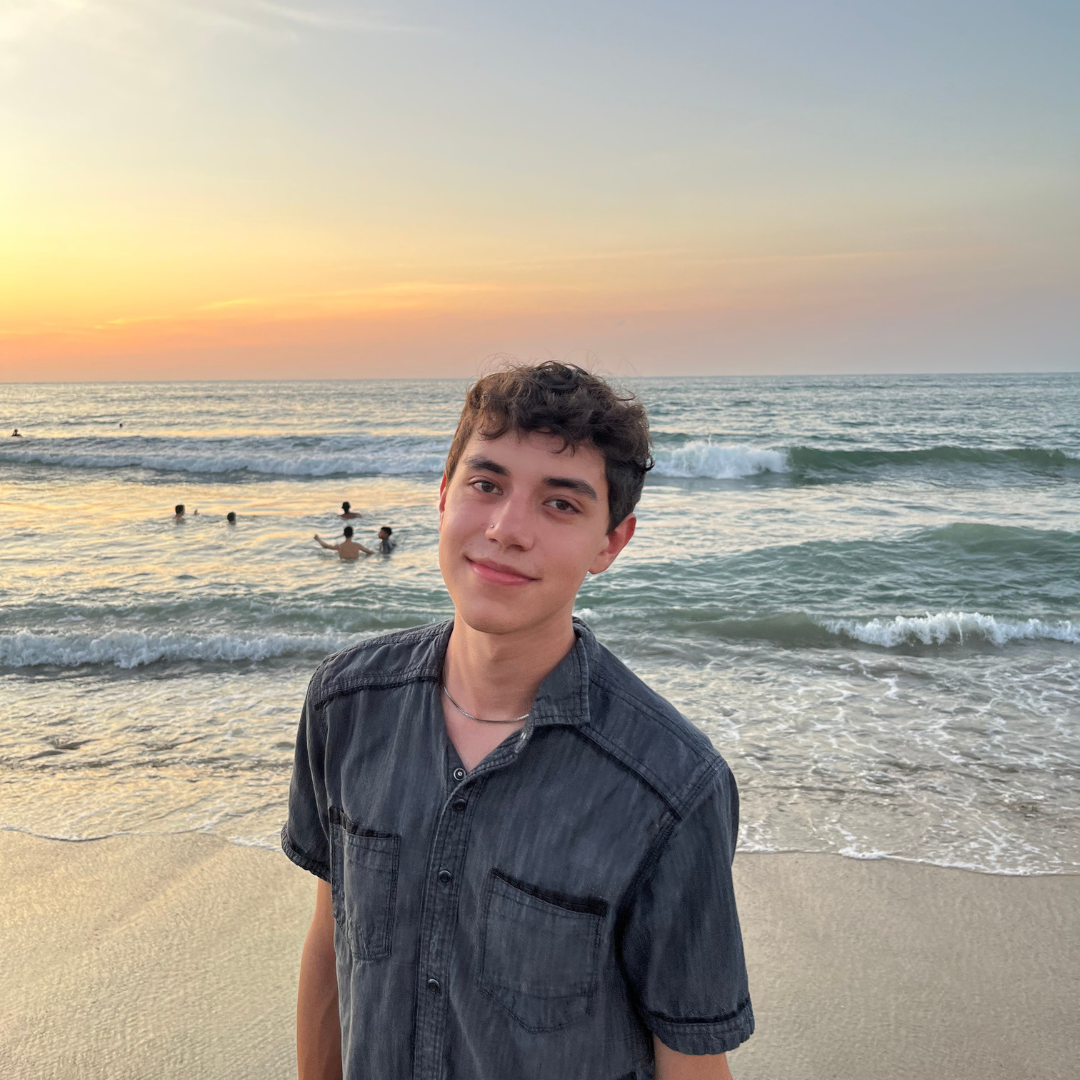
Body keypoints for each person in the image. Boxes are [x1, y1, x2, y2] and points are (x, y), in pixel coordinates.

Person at [284, 362, 753, 1080]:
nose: (507, 529)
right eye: (486, 484)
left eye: (561, 505)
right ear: (443, 497)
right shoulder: (346, 706)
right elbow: (331, 944)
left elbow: (690, 1063)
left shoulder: (670, 790)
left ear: (611, 544)